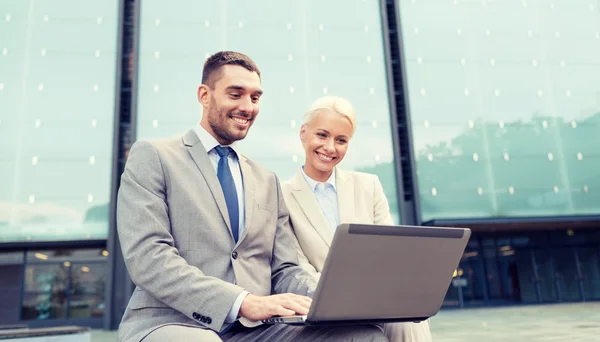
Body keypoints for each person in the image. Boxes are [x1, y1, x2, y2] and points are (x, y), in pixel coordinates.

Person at [116, 51, 388, 342]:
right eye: (236, 94)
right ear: (204, 95)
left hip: (256, 330)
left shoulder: (266, 180)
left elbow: (285, 268)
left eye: (255, 98)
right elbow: (149, 259)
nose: (247, 107)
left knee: (363, 336)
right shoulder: (155, 156)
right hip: (172, 323)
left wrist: (337, 297)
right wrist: (243, 301)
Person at [281, 96, 433, 342]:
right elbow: (296, 266)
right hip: (325, 304)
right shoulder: (282, 196)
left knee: (410, 322)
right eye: (322, 135)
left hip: (379, 297)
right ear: (303, 133)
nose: (330, 148)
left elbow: (390, 251)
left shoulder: (368, 185)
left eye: (341, 140)